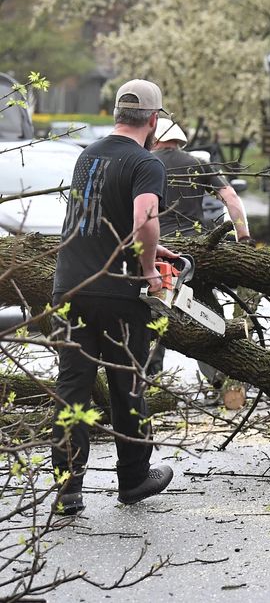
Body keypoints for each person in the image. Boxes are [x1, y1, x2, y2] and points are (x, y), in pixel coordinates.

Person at [50, 79, 178, 515]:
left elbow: (96, 216)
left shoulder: (88, 155)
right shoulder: (147, 163)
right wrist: (148, 271)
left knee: (73, 387)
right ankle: (135, 478)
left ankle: (68, 488)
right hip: (118, 290)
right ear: (155, 120)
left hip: (69, 284)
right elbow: (144, 215)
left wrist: (147, 246)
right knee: (127, 382)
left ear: (117, 115)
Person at [146, 118, 250, 390]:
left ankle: (150, 379)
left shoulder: (145, 163)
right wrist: (244, 237)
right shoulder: (199, 164)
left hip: (158, 252)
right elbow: (232, 199)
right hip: (196, 253)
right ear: (180, 141)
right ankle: (221, 378)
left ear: (155, 139)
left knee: (156, 311)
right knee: (206, 313)